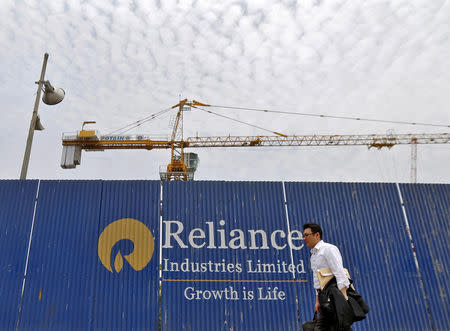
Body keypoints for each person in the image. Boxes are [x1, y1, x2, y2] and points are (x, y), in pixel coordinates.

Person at [303, 223, 352, 331]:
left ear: (317, 235)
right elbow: (317, 281)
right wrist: (317, 301)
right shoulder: (314, 256)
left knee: (327, 327)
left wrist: (343, 300)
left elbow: (340, 273)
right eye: (303, 235)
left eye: (307, 235)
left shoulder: (328, 249)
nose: (304, 238)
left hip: (335, 297)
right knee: (340, 327)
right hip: (324, 298)